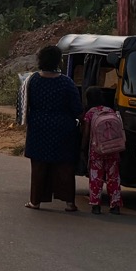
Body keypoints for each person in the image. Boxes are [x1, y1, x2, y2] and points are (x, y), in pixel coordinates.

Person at [23, 45, 82, 211]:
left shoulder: (32, 80)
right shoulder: (66, 82)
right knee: (65, 166)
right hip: (63, 128)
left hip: (38, 127)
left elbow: (25, 105)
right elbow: (77, 108)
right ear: (58, 61)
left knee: (39, 166)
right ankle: (69, 203)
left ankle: (35, 201)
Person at [80, 87, 123, 215]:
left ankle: (96, 205)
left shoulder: (90, 113)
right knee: (113, 177)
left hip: (97, 151)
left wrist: (83, 147)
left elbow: (86, 133)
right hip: (113, 149)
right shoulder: (110, 111)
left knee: (96, 177)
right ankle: (115, 205)